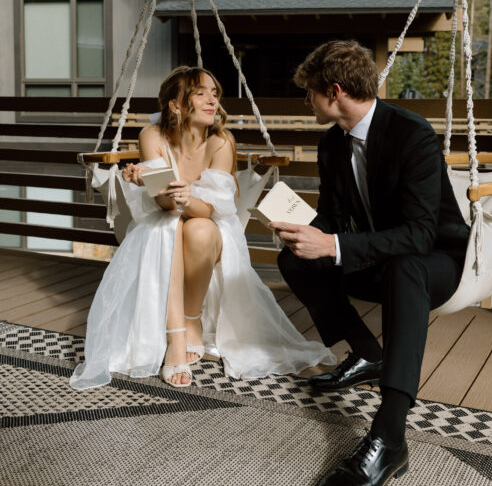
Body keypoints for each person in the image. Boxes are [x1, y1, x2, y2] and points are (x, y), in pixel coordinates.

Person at [272, 40, 470, 486]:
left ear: (335, 91)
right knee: (293, 260)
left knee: (405, 268)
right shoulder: (332, 143)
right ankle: (368, 353)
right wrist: (305, 232)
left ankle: (389, 436)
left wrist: (335, 244)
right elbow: (334, 218)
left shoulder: (411, 133)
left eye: (310, 94)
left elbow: (421, 234)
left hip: (436, 261)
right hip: (380, 255)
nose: (307, 102)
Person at [70, 66, 334, 390]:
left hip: (211, 226)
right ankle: (176, 338)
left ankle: (191, 320)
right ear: (176, 105)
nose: (212, 100)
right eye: (201, 93)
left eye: (214, 93)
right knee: (169, 227)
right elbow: (164, 206)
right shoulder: (151, 137)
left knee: (198, 229)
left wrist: (183, 198)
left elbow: (211, 209)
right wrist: (154, 185)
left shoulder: (220, 142)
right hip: (164, 221)